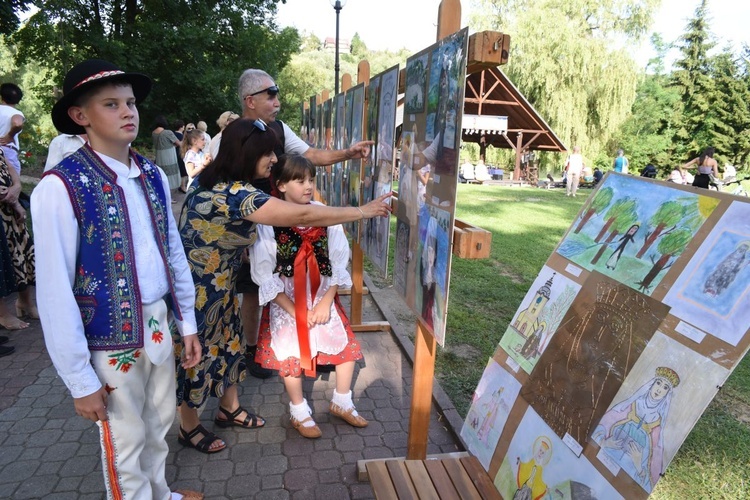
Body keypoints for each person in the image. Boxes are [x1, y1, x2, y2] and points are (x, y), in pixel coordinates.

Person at [31, 59, 203, 500]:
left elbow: (172, 252)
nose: (128, 111)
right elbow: (53, 291)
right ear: (80, 115)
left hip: (158, 322)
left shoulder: (151, 174)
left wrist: (187, 323)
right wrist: (79, 380)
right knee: (124, 441)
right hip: (107, 338)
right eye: (111, 104)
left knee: (159, 424)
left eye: (129, 102)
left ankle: (160, 495)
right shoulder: (61, 186)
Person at [176, 118, 390, 453]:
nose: (275, 160)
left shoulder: (215, 181)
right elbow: (302, 217)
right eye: (267, 154)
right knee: (197, 355)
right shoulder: (235, 193)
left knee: (230, 346)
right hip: (198, 290)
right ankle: (188, 427)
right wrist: (363, 211)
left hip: (222, 285)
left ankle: (228, 408)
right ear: (245, 153)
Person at [235, 69, 374, 376]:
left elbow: (311, 154)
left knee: (305, 272)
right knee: (251, 287)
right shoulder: (231, 136)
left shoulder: (281, 130)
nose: (277, 101)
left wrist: (348, 153)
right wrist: (238, 237)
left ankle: (316, 346)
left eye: (277, 94)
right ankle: (251, 348)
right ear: (250, 100)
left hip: (291, 216)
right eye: (271, 94)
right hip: (252, 221)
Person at [249, 154, 370, 439]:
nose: (308, 186)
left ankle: (342, 400)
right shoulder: (269, 219)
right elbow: (264, 271)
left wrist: (327, 301)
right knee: (290, 355)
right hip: (286, 299)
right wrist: (293, 310)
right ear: (280, 185)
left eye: (311, 180)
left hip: (320, 295)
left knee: (345, 350)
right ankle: (299, 410)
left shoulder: (323, 213)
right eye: (299, 180)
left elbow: (340, 260)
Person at [593, 366, 680, 492]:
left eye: (665, 387)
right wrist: (604, 442)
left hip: (620, 483)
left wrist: (638, 464)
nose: (659, 389)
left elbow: (648, 481)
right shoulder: (629, 406)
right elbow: (600, 428)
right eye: (658, 383)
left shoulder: (657, 428)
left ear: (668, 393)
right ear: (652, 384)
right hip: (599, 460)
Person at [0, 148, 36, 336]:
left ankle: (25, 302)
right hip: (3, 209)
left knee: (23, 253)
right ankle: (3, 314)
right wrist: (14, 201)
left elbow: (8, 165)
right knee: (4, 262)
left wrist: (16, 186)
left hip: (11, 211)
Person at [151, 114, 182, 197]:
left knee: (162, 175)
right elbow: (179, 143)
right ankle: (169, 197)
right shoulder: (168, 132)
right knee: (170, 176)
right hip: (169, 156)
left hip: (159, 156)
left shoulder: (153, 133)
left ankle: (163, 195)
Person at [0, 83, 25, 174]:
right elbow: (17, 124)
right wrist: (10, 135)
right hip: (6, 151)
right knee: (12, 184)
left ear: (2, 97)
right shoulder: (15, 113)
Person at [173, 119, 188, 193]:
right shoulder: (181, 136)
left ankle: (179, 185)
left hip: (174, 154)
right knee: (183, 171)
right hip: (181, 154)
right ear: (181, 127)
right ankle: (183, 186)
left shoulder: (173, 134)